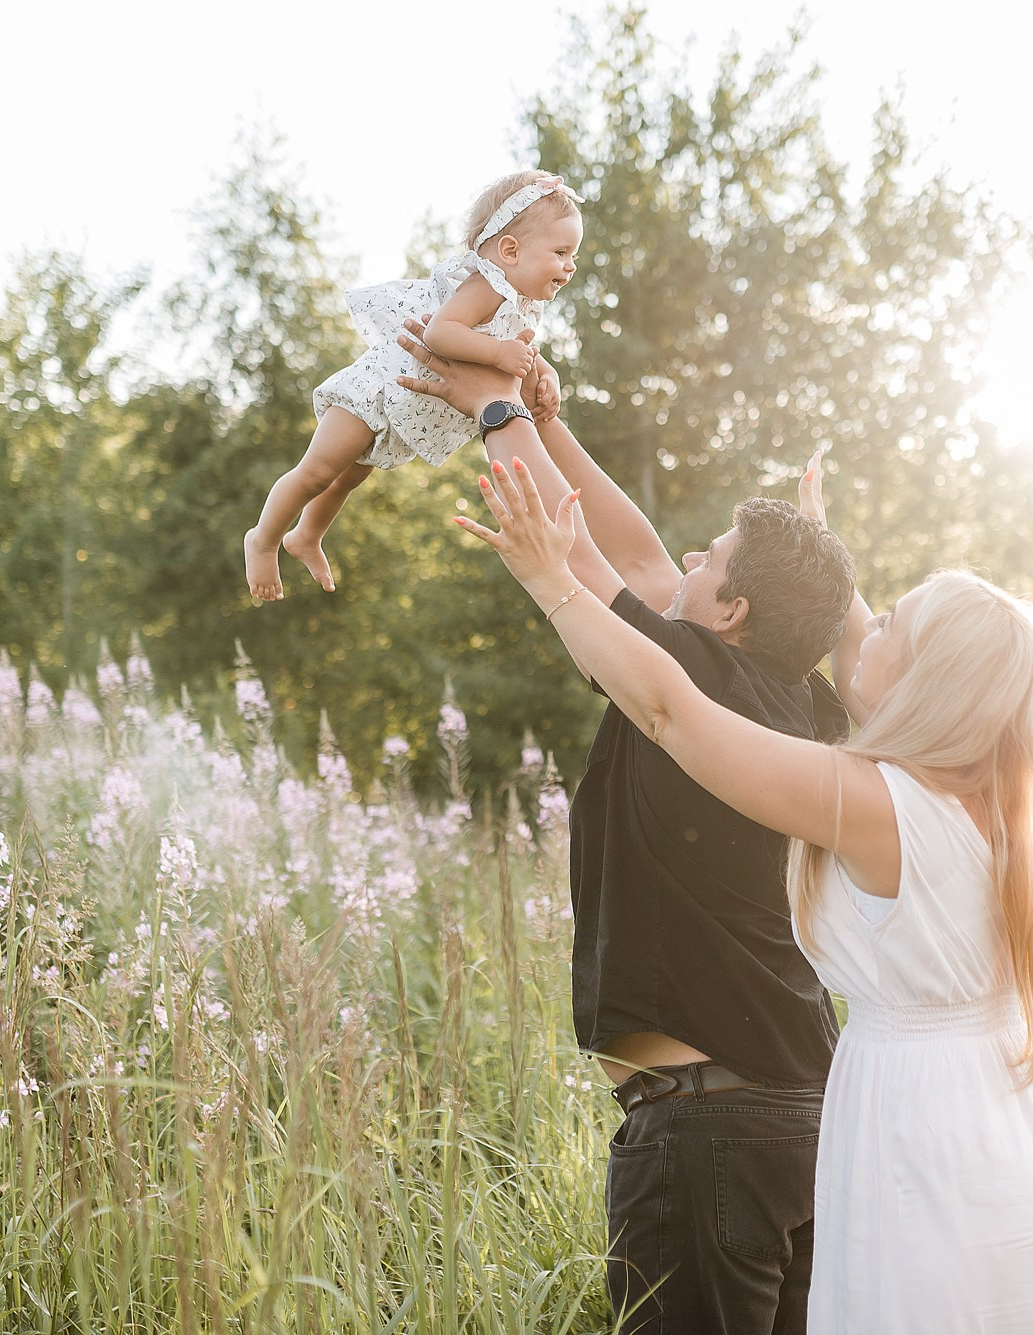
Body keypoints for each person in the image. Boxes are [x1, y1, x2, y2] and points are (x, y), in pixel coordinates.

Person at [457, 443, 1033, 1333]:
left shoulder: (879, 804)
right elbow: (863, 659)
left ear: (925, 684)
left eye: (880, 626)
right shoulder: (986, 804)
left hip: (918, 1142)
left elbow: (673, 711)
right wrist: (824, 573)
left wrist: (550, 579)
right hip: (980, 1128)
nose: (854, 631)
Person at [395, 332, 857, 1333]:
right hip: (804, 1126)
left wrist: (491, 401)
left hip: (704, 1134)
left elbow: (587, 558)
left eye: (712, 560)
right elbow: (642, 557)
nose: (685, 557)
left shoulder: (682, 676)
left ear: (729, 610)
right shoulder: (797, 702)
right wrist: (549, 424)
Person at [241, 169, 581, 600]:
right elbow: (441, 332)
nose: (570, 265)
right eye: (561, 252)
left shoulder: (520, 304)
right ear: (510, 250)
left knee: (346, 479)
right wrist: (499, 355)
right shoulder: (485, 287)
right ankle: (263, 539)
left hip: (401, 409)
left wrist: (543, 372)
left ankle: (306, 534)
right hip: (377, 393)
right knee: (317, 472)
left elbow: (516, 346)